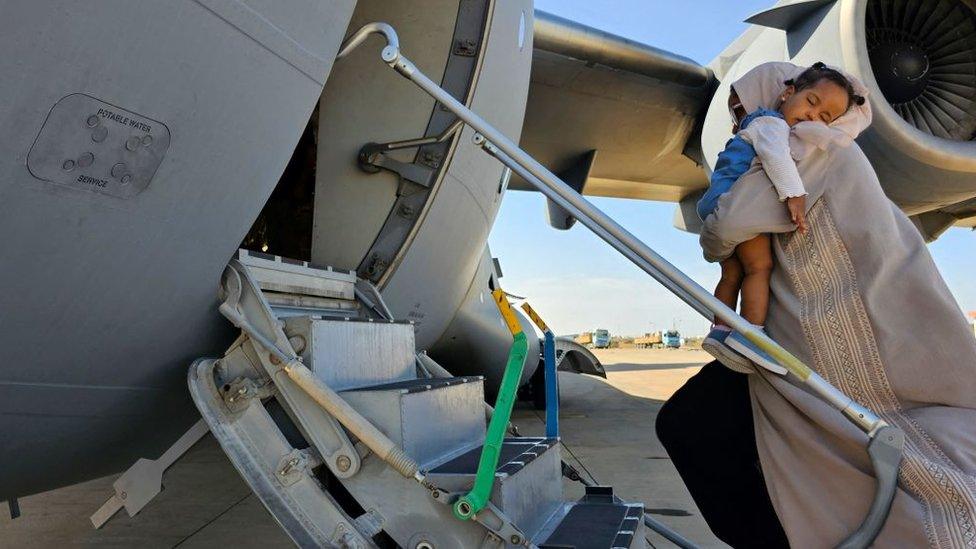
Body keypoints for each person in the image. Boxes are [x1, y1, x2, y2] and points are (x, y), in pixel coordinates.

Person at [657, 61, 976, 548]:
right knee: (704, 428)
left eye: (744, 103)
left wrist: (721, 233)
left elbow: (726, 224)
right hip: (810, 332)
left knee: (694, 427)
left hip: (833, 338)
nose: (742, 117)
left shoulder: (810, 148)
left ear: (780, 93)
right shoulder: (818, 148)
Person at [698, 62, 865, 374]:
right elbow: (776, 156)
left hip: (716, 199)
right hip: (735, 199)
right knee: (759, 268)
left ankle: (720, 332)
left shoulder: (755, 123)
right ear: (788, 93)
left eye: (824, 118)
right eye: (811, 102)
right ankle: (753, 336)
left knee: (731, 274)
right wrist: (794, 193)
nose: (812, 117)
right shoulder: (771, 123)